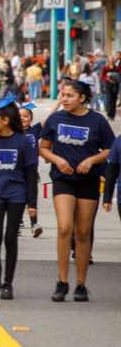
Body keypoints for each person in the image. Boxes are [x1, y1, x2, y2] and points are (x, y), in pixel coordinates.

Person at [39, 80, 114, 302]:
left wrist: (91, 160)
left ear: (82, 98)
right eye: (63, 95)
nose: (64, 99)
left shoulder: (97, 120)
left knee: (82, 232)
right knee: (64, 228)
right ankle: (62, 281)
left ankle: (81, 284)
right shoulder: (55, 119)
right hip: (63, 179)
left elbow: (111, 149)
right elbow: (43, 148)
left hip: (88, 180)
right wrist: (57, 160)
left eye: (70, 96)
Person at [0, 95, 38, 300]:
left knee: (11, 238)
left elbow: (30, 173)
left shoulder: (23, 142)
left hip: (16, 195)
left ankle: (7, 283)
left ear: (5, 120)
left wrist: (32, 203)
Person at [20, 103, 43, 237]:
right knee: (18, 198)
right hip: (16, 172)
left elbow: (48, 119)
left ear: (31, 119)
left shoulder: (34, 131)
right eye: (20, 116)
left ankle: (34, 224)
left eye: (26, 116)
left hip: (31, 172)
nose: (23, 118)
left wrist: (58, 102)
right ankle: (18, 221)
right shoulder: (12, 133)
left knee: (32, 199)